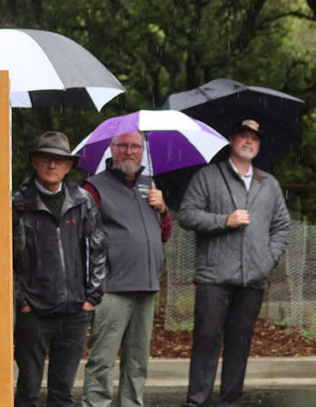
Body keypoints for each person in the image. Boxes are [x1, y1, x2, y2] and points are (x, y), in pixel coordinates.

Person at [178, 118, 291, 407]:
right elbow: (187, 215)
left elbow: (282, 226)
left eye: (254, 137)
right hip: (213, 277)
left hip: (253, 278)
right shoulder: (208, 176)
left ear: (259, 144)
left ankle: (230, 401)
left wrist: (268, 259)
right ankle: (197, 401)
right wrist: (223, 221)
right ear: (231, 140)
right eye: (243, 136)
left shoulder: (270, 184)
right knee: (206, 341)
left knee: (240, 345)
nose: (249, 141)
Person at [12, 131, 105, 407]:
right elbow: (2, 259)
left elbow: (98, 249)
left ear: (68, 166)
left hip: (75, 312)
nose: (51, 165)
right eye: (45, 159)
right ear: (34, 162)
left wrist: (91, 299)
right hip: (34, 313)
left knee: (62, 393)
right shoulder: (17, 204)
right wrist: (22, 301)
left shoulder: (82, 201)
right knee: (28, 390)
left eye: (58, 160)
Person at [81, 130, 172, 407]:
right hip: (112, 287)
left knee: (138, 362)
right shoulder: (94, 187)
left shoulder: (150, 185)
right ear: (111, 149)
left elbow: (164, 235)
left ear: (143, 150)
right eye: (122, 146)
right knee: (102, 360)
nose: (129, 151)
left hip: (146, 286)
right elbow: (83, 237)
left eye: (135, 146)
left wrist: (163, 208)